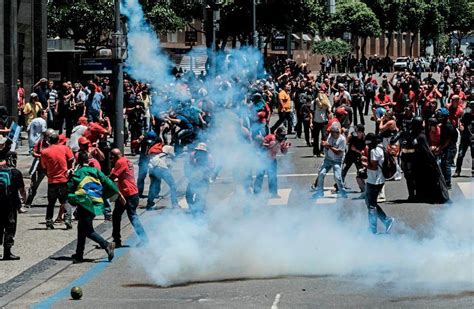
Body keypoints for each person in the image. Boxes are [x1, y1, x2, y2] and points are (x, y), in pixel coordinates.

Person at [67, 152, 118, 263]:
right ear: (89, 160)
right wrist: (103, 195)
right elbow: (110, 184)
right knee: (81, 228)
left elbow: (69, 187)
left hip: (84, 203)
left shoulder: (77, 173)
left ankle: (106, 245)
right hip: (96, 202)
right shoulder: (96, 171)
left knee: (88, 230)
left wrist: (68, 177)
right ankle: (79, 254)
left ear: (78, 161)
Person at [110, 148, 147, 247]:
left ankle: (144, 238)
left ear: (115, 156)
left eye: (111, 157)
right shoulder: (126, 160)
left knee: (132, 217)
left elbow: (113, 177)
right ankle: (117, 239)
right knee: (116, 215)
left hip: (128, 194)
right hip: (128, 193)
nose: (111, 159)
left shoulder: (120, 162)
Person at [41, 133, 74, 229]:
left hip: (52, 181)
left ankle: (49, 221)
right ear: (58, 140)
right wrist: (69, 169)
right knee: (65, 201)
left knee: (51, 202)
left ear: (49, 141)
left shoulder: (45, 152)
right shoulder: (65, 148)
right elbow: (71, 159)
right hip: (64, 179)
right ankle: (67, 219)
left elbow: (43, 166)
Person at [362, 133, 394, 234]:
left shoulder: (374, 151)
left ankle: (373, 229)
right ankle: (386, 220)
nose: (367, 145)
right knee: (371, 203)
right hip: (376, 180)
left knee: (371, 205)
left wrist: (364, 163)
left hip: (375, 181)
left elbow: (374, 167)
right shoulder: (380, 148)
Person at [0, 152, 26, 260]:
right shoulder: (16, 172)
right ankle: (7, 252)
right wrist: (24, 200)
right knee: (10, 227)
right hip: (10, 205)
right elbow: (22, 190)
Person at [311, 123, 347, 199]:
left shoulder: (342, 139)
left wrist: (329, 146)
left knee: (337, 177)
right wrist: (324, 145)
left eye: (332, 132)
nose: (331, 134)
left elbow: (338, 152)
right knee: (321, 173)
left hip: (337, 160)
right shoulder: (330, 136)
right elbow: (327, 146)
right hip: (328, 159)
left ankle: (342, 192)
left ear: (337, 133)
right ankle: (320, 192)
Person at [254, 127, 291, 197]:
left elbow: (284, 152)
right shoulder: (270, 137)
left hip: (272, 160)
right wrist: (268, 145)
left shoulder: (282, 141)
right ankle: (256, 192)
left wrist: (286, 148)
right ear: (278, 134)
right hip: (263, 159)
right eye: (282, 135)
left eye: (284, 135)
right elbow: (261, 145)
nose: (283, 137)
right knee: (260, 176)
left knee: (273, 177)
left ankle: (273, 193)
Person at [147, 145, 179, 210]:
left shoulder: (152, 148)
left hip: (152, 169)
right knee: (173, 185)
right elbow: (174, 158)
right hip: (161, 168)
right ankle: (175, 204)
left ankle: (149, 204)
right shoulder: (168, 147)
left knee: (153, 187)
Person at [185, 143, 214, 214]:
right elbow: (188, 165)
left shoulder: (209, 157)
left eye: (202, 151)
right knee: (188, 194)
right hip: (194, 177)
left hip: (204, 178)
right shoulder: (192, 155)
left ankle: (198, 211)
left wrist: (203, 171)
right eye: (199, 151)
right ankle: (192, 208)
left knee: (200, 195)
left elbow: (211, 167)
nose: (200, 153)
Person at [434, 108, 458, 190]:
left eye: (440, 116)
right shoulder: (444, 125)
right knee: (443, 164)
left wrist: (440, 149)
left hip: (450, 148)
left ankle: (448, 183)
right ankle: (444, 181)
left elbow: (447, 141)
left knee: (446, 165)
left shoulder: (448, 126)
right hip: (447, 148)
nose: (438, 117)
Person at [454, 100, 474, 177]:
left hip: (473, 139)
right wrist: (461, 127)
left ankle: (473, 171)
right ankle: (458, 170)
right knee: (460, 154)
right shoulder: (466, 115)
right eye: (471, 106)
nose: (473, 108)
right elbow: (461, 123)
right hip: (465, 137)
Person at [312, 85, 331, 157]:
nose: (321, 93)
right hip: (316, 121)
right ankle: (315, 152)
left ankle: (322, 151)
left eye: (322, 92)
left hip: (324, 122)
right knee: (315, 137)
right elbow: (311, 112)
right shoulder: (314, 102)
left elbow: (329, 109)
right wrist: (311, 122)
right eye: (320, 92)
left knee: (324, 137)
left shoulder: (326, 101)